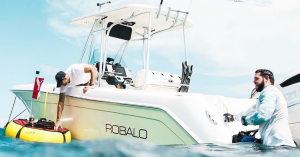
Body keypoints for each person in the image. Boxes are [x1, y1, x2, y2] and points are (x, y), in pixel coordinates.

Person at [224, 69, 295, 147]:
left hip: (279, 146)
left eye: (256, 78)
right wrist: (233, 117)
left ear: (266, 78)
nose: (254, 81)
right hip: (275, 145)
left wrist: (246, 121)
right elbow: (251, 111)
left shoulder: (269, 92)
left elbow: (263, 115)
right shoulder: (268, 94)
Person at [55, 64, 96, 128]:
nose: (61, 85)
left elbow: (92, 69)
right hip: (80, 83)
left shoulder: (75, 69)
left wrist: (90, 85)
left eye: (61, 83)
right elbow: (61, 101)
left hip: (91, 77)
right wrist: (58, 120)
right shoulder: (63, 84)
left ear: (65, 78)